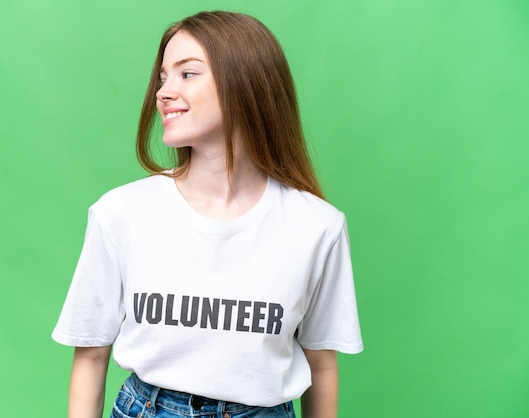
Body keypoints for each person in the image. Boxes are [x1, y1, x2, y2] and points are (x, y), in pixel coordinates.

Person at [52, 10, 363, 418]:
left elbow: (321, 366)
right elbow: (91, 357)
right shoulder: (121, 213)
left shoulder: (317, 226)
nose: (162, 92)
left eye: (187, 73)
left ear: (245, 82)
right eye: (163, 77)